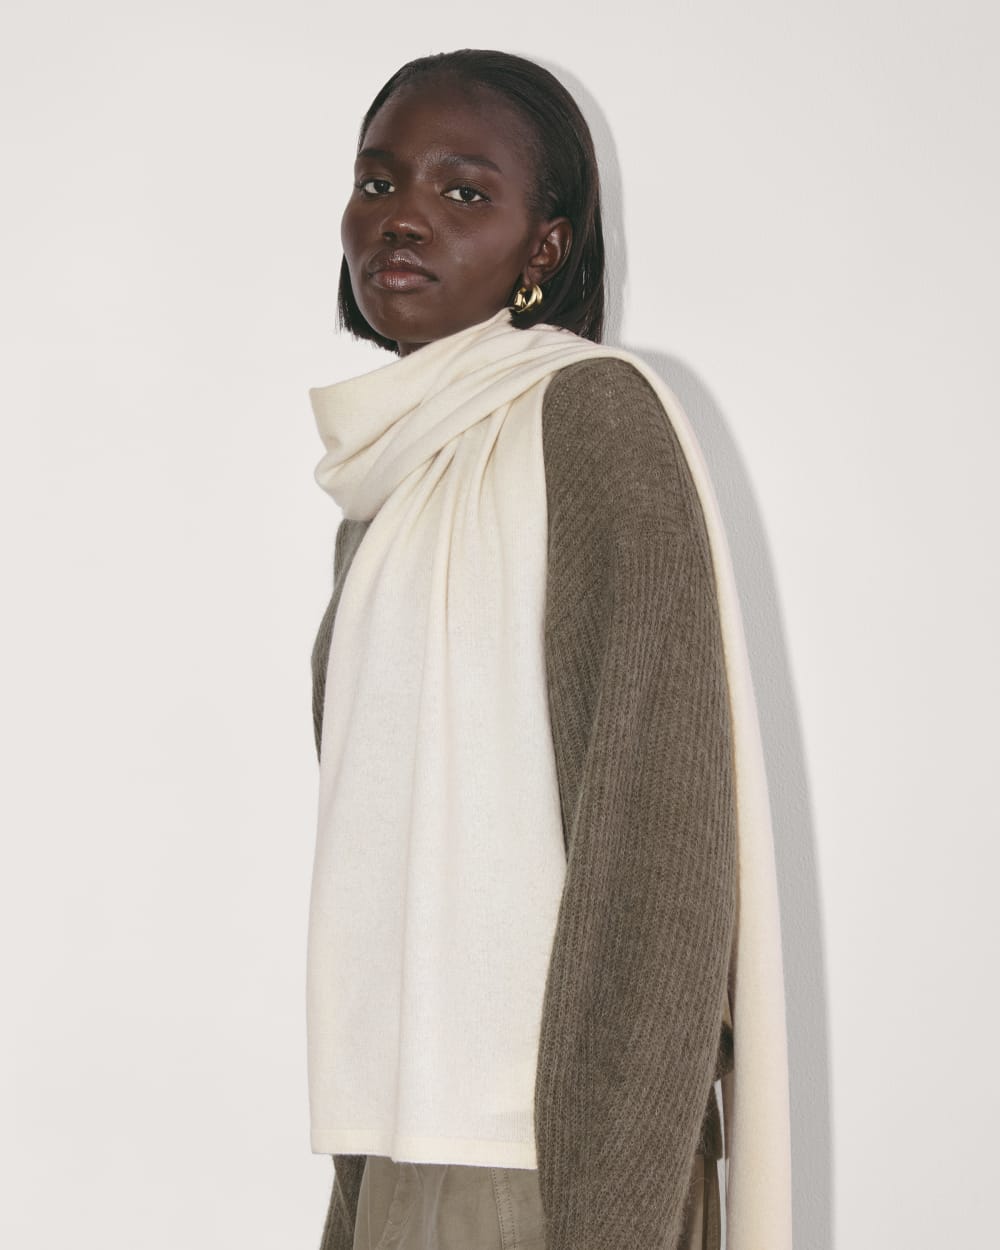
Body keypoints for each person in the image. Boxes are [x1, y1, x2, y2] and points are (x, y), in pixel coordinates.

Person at [305, 48, 792, 1250]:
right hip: (402, 1137)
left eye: (463, 190)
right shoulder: (388, 484)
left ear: (546, 248)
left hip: (552, 1159)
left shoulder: (591, 417)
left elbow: (658, 841)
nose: (401, 215)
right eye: (378, 180)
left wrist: (610, 1204)